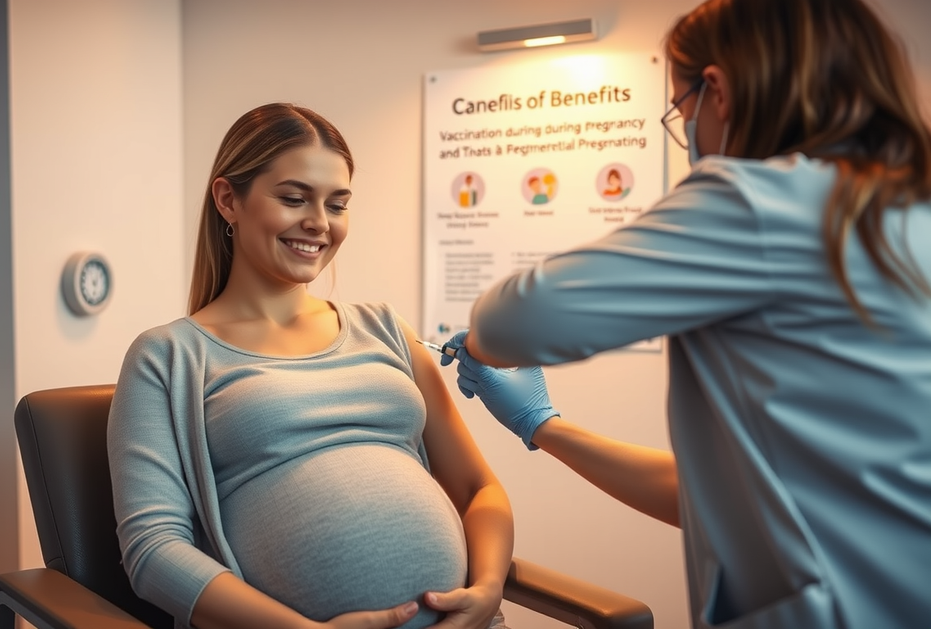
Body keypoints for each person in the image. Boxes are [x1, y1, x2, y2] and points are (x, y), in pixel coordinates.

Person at [441, 0, 931, 627]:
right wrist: (544, 425)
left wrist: (485, 344)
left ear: (718, 91)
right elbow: (709, 497)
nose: (688, 130)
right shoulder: (901, 209)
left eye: (681, 107)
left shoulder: (760, 199)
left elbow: (516, 319)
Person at [108, 103, 513, 629]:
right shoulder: (167, 357)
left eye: (337, 204)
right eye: (294, 198)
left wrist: (487, 590)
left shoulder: (385, 328)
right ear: (229, 199)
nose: (319, 224)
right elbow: (153, 551)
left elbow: (479, 488)